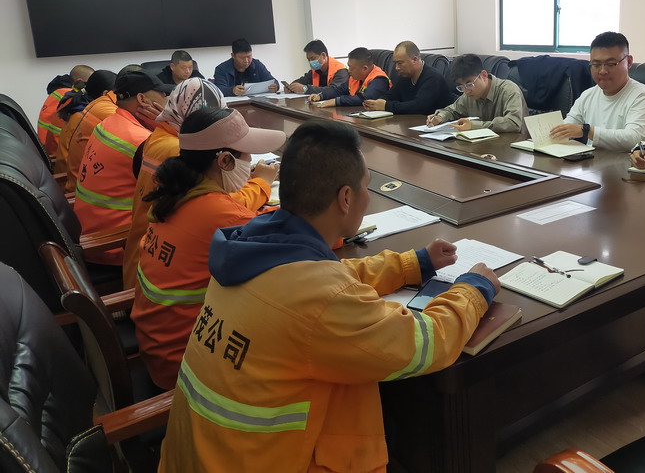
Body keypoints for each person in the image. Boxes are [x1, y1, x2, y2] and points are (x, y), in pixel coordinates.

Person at [158, 119, 499, 472]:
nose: (369, 197)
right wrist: (474, 289)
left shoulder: (249, 248)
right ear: (346, 198)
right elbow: (426, 343)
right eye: (367, 186)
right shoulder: (320, 298)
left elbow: (327, 275)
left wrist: (413, 263)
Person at [132, 107, 284, 390]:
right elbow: (296, 242)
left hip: (158, 346)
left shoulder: (177, 193)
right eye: (247, 155)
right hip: (187, 364)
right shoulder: (221, 214)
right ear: (225, 160)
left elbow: (226, 215)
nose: (250, 162)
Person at [122, 79, 275, 289]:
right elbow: (228, 212)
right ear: (224, 160)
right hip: (159, 291)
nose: (249, 160)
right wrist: (261, 183)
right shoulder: (175, 150)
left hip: (148, 275)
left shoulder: (167, 144)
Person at [74, 70, 173, 267]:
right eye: (163, 95)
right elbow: (188, 176)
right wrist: (169, 127)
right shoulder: (140, 140)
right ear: (142, 99)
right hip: (116, 244)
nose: (167, 100)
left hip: (90, 229)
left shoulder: (108, 123)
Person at [550, 32, 645, 151]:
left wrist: (586, 131)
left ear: (629, 62)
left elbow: (634, 139)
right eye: (596, 65)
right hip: (591, 160)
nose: (602, 71)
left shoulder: (643, 96)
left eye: (610, 64)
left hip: (626, 162)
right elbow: (566, 128)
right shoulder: (588, 95)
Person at [426, 53, 527, 133]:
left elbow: (513, 123)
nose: (466, 91)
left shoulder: (509, 90)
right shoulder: (468, 95)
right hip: (483, 145)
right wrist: (440, 117)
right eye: (461, 87)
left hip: (512, 147)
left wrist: (474, 126)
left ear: (483, 75)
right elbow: (453, 110)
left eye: (469, 84)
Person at [363, 41, 454, 115]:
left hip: (431, 124)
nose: (397, 68)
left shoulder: (433, 78)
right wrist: (377, 103)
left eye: (400, 63)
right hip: (410, 123)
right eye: (395, 63)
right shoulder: (405, 76)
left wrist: (386, 106)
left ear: (415, 60)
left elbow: (419, 106)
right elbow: (391, 95)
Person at [54, 70, 117, 176]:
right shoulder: (91, 113)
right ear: (105, 94)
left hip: (65, 173)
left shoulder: (78, 105)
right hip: (69, 178)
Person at [37, 64, 93, 156]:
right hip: (54, 150)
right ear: (79, 81)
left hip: (45, 146)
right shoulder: (69, 96)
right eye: (89, 83)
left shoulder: (58, 91)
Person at [308, 46, 390, 107]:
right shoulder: (355, 78)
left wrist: (336, 101)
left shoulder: (379, 79)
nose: (349, 70)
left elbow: (364, 99)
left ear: (364, 68)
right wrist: (321, 96)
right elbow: (338, 90)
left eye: (351, 67)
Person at [213, 38, 278, 97]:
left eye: (249, 56)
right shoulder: (221, 69)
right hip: (233, 104)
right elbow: (218, 89)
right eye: (242, 58)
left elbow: (272, 80)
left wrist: (276, 86)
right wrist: (232, 90)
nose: (246, 61)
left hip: (256, 101)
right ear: (233, 56)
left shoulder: (257, 65)